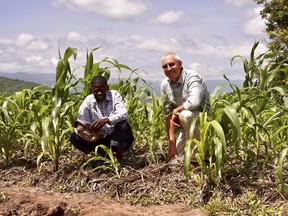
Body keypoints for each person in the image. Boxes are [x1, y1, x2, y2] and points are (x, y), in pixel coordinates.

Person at [69, 75, 134, 162]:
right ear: (91, 90)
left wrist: (106, 120)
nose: (99, 93)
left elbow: (124, 113)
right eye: (96, 91)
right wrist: (88, 131)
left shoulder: (114, 95)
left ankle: (119, 156)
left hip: (116, 137)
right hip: (99, 138)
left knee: (123, 125)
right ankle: (105, 156)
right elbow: (82, 122)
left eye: (102, 90)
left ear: (107, 88)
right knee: (74, 137)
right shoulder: (88, 101)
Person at [160, 52, 210, 163]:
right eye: (164, 66)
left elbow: (193, 103)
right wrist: (171, 145)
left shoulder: (193, 76)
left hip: (203, 122)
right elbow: (168, 115)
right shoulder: (165, 85)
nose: (168, 68)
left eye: (172, 64)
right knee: (174, 161)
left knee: (185, 114)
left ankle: (196, 159)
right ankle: (191, 152)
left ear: (180, 64)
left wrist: (176, 111)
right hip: (185, 126)